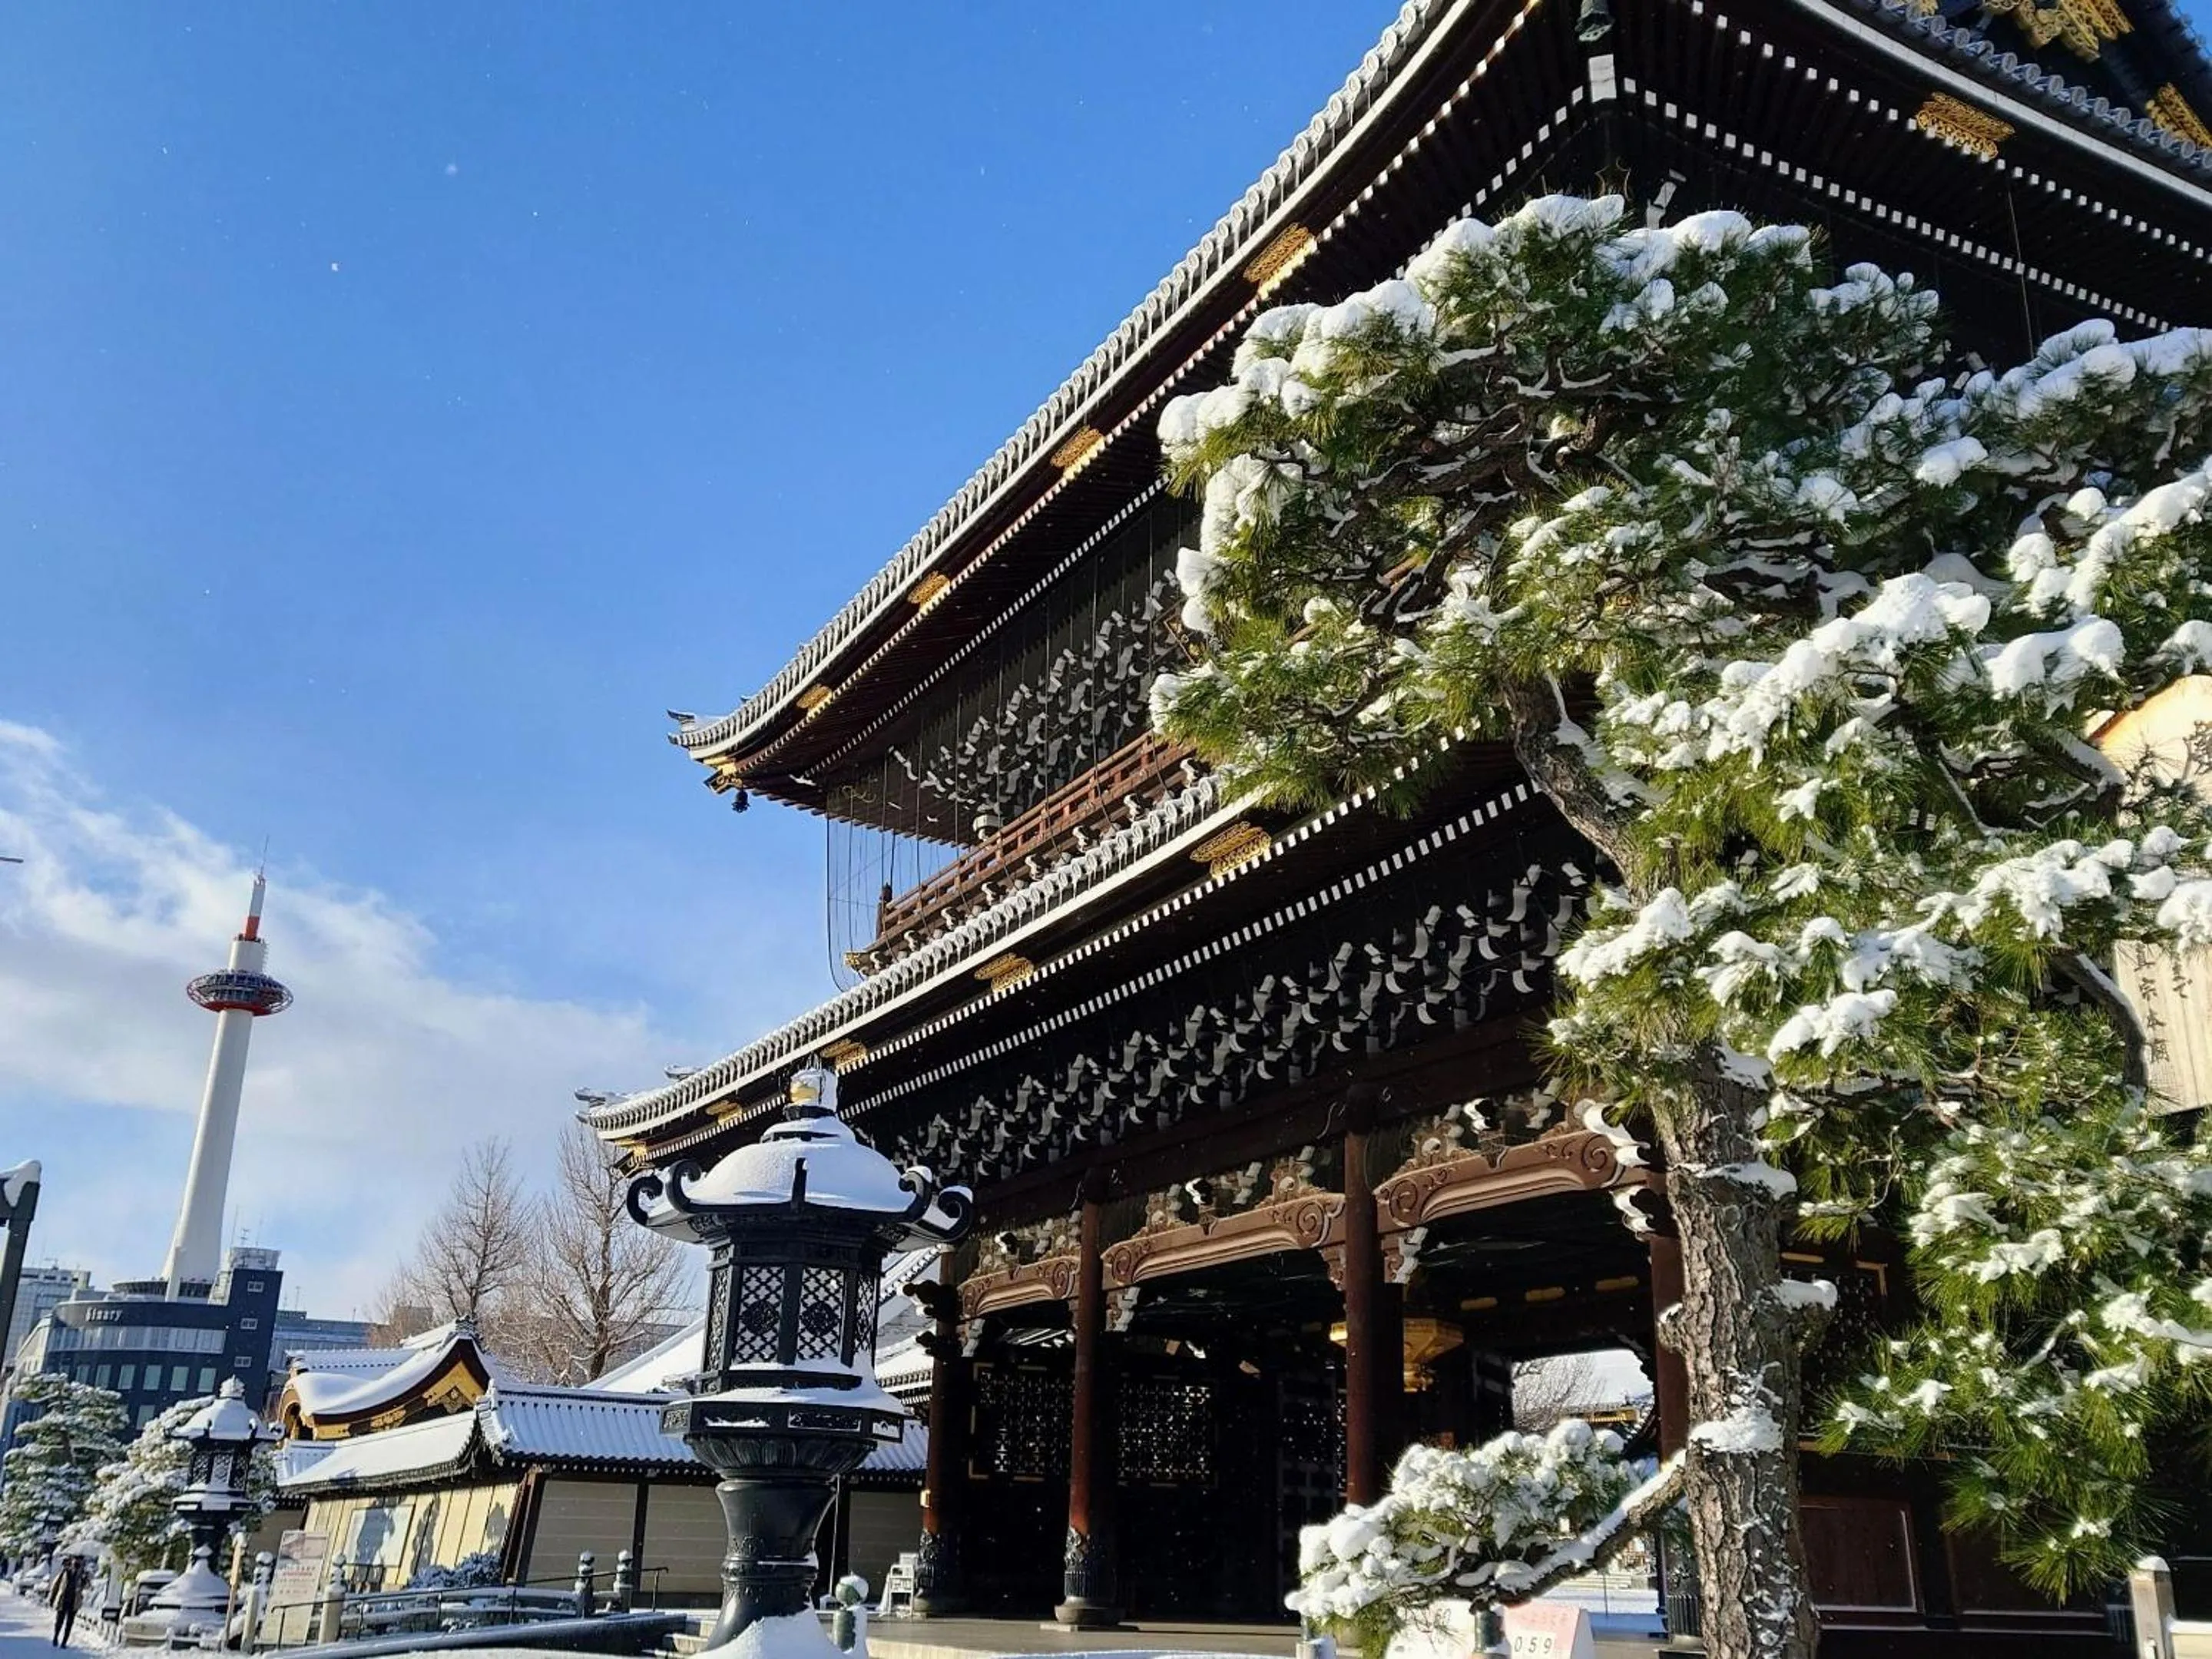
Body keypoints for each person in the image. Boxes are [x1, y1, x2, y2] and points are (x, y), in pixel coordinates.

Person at [48, 1557, 81, 1647]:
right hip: (63, 1600)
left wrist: (84, 1580)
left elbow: (88, 1587)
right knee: (59, 1621)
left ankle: (64, 1642)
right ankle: (56, 1637)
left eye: (77, 1563)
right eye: (74, 1563)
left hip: (74, 1602)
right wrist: (52, 1598)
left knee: (69, 1623)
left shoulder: (81, 1575)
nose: (75, 1565)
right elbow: (56, 1586)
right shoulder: (64, 1573)